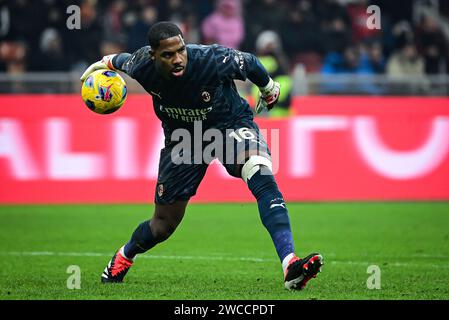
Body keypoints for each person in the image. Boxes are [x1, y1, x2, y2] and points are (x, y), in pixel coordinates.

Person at [80, 21, 323, 290]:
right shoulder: (141, 65)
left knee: (260, 171)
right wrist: (103, 62)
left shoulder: (210, 59)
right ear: (153, 56)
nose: (177, 59)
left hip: (229, 124)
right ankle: (124, 256)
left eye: (180, 50)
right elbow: (120, 60)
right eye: (168, 54)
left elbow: (250, 62)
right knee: (163, 225)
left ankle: (290, 264)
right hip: (183, 140)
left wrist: (268, 88)